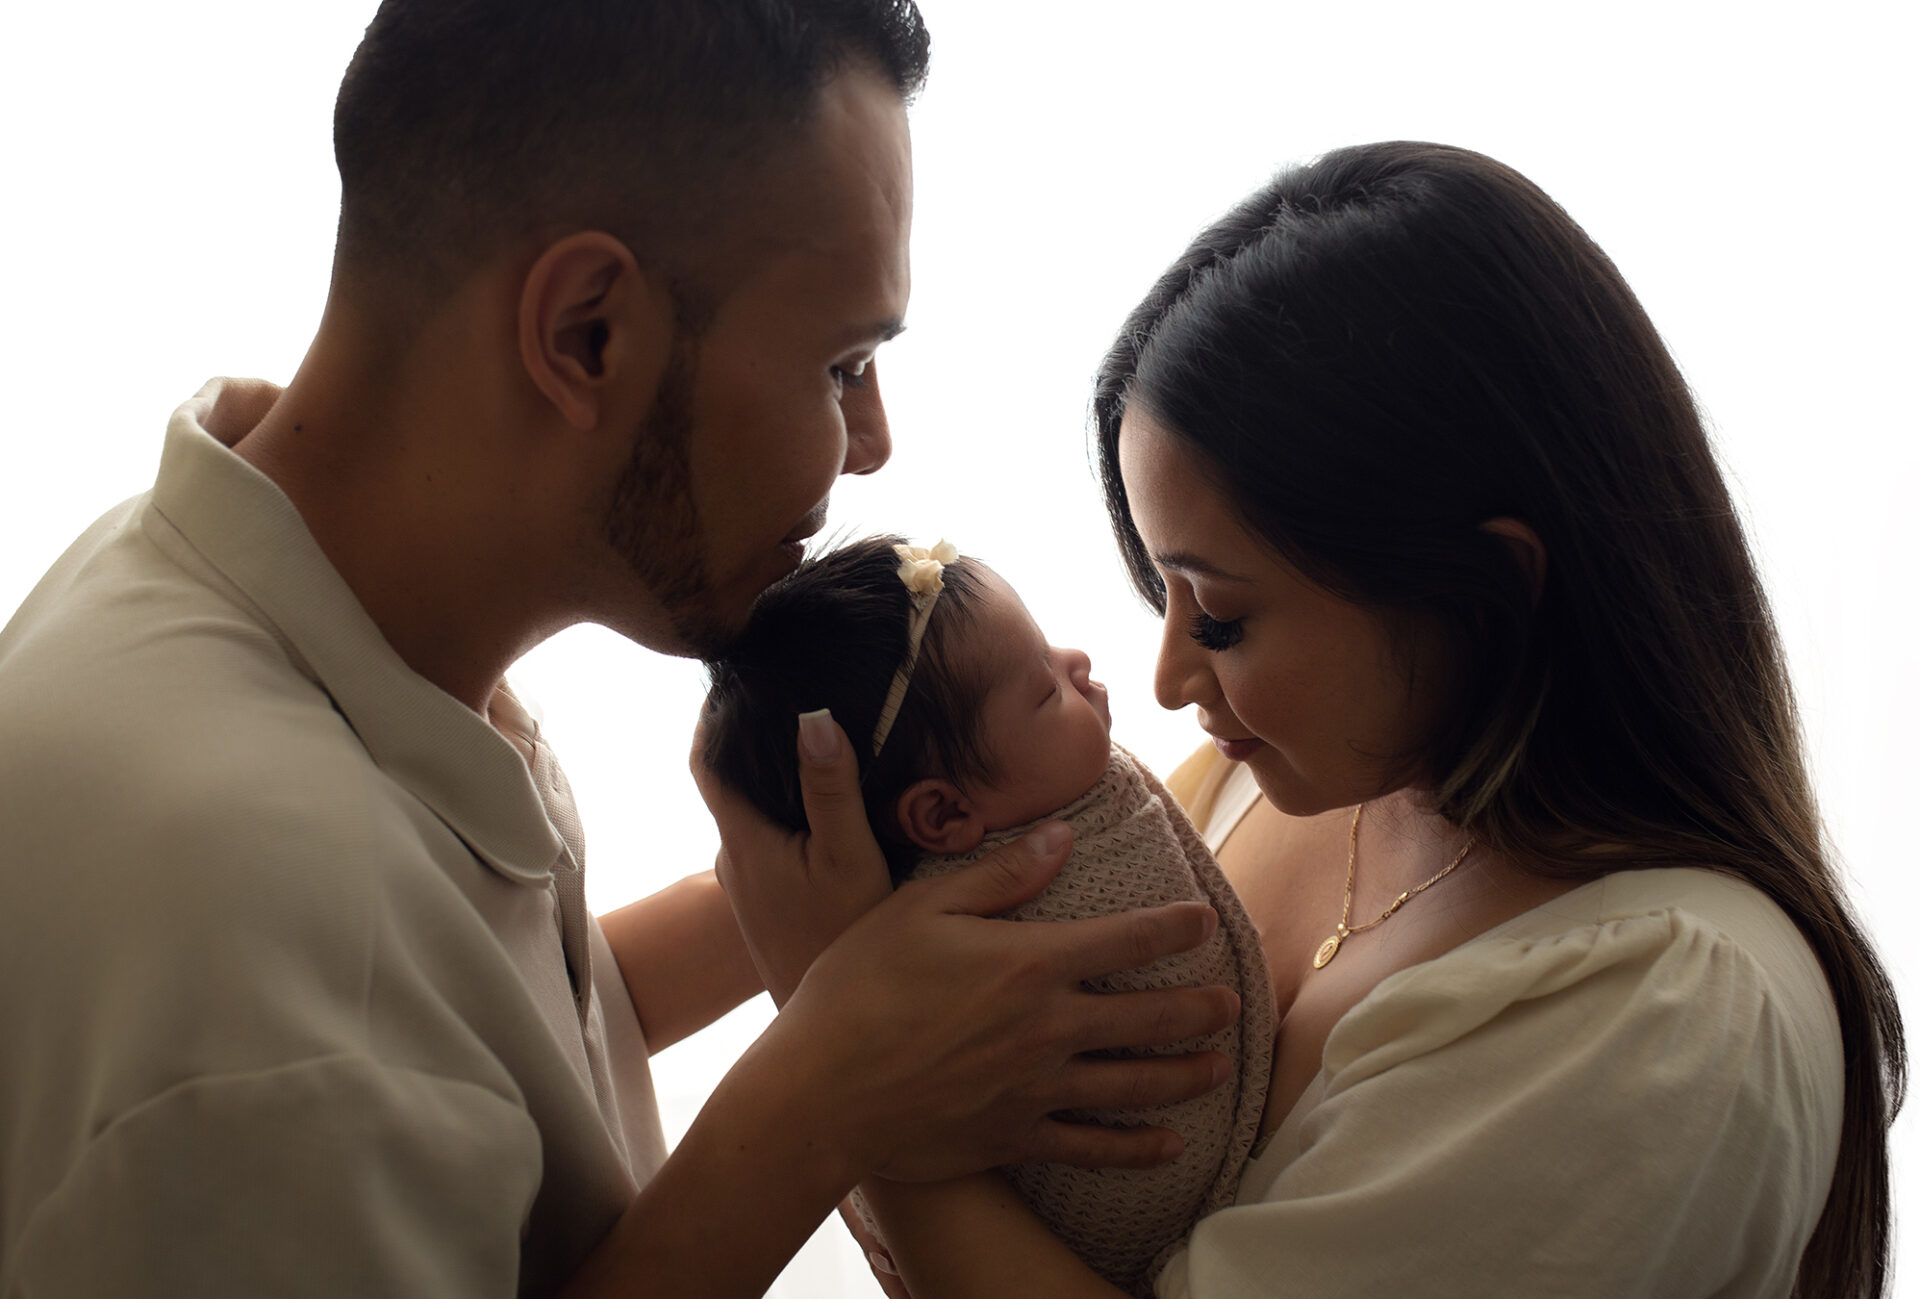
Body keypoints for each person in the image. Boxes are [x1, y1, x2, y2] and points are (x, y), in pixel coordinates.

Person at [0, 3, 1246, 1296]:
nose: (870, 442)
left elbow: (507, 1040)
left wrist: (834, 916)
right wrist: (824, 1098)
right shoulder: (260, 950)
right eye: (842, 364)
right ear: (587, 330)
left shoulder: (328, 629)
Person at [702, 142, 1906, 1297]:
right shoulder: (1254, 784)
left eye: (1221, 617)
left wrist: (859, 1086)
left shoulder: (1662, 1015)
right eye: (1157, 588)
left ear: (1483, 589)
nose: (1167, 677)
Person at [700, 534, 1274, 1295]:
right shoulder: (996, 898)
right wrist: (851, 1055)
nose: (1078, 663)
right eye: (1044, 690)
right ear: (942, 815)